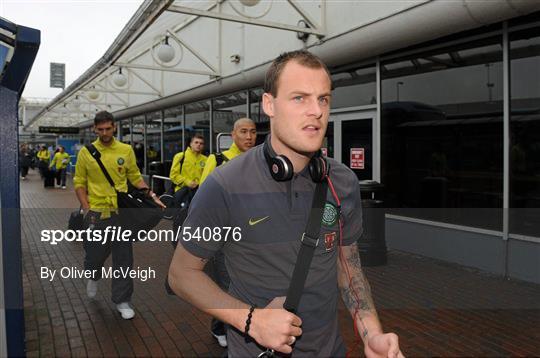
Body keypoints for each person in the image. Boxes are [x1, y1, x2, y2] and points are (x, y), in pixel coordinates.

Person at [168, 50, 403, 357]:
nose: (316, 111)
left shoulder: (342, 181)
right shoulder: (225, 184)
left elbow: (349, 270)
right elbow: (181, 274)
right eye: (299, 98)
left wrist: (371, 332)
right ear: (269, 104)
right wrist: (251, 320)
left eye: (323, 99)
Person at [73, 111, 164, 320]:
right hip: (96, 212)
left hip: (121, 213)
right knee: (95, 254)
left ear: (114, 127)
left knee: (124, 257)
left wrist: (151, 195)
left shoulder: (126, 150)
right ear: (95, 129)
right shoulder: (87, 152)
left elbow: (135, 178)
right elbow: (79, 182)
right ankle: (93, 275)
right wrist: (86, 208)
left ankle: (122, 300)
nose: (105, 133)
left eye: (108, 128)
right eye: (100, 129)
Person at [200, 118, 257, 348]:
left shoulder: (258, 162)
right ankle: (226, 330)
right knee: (228, 287)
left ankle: (221, 327)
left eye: (253, 132)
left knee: (245, 285)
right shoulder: (218, 160)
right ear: (233, 135)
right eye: (243, 131)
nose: (249, 136)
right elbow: (203, 200)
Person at [169, 134, 207, 204]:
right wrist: (188, 182)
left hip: (200, 193)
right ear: (190, 144)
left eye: (201, 143)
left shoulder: (206, 159)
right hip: (183, 192)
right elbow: (173, 175)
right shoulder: (180, 156)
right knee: (183, 213)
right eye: (196, 142)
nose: (199, 145)